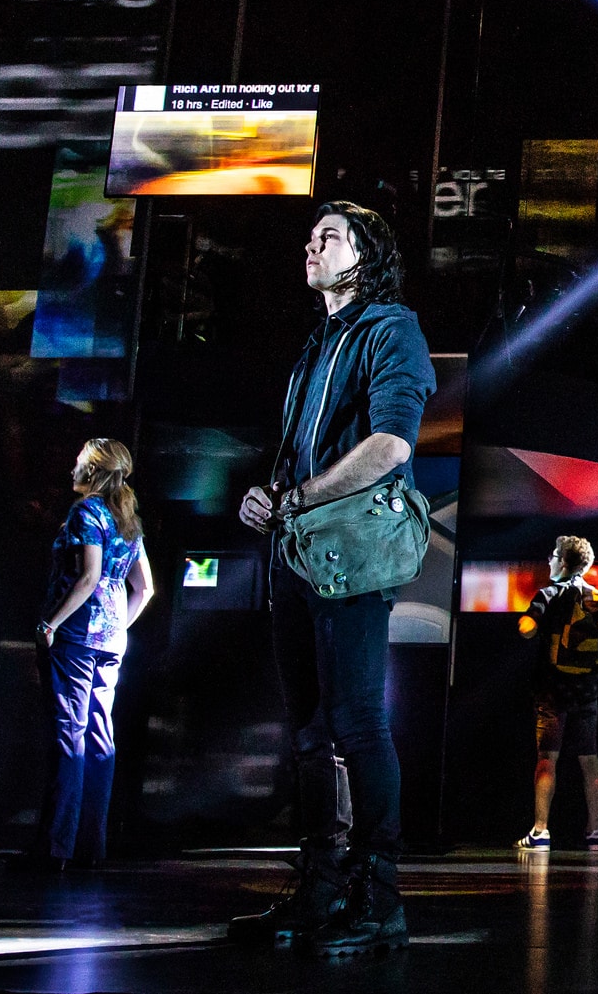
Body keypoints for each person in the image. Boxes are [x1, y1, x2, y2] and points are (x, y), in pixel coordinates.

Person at [231, 201, 436, 956]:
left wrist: (301, 496)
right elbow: (302, 454)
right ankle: (318, 889)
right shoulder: (317, 343)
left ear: (367, 254)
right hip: (296, 551)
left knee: (357, 721)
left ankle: (378, 895)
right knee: (311, 731)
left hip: (350, 557)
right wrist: (270, 491)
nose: (310, 245)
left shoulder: (392, 329)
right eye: (310, 236)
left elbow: (389, 444)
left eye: (330, 237)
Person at [27, 438, 153, 871]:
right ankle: (88, 848)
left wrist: (50, 624)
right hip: (111, 642)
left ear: (94, 470)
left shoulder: (87, 512)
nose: (73, 468)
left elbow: (88, 578)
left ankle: (54, 849)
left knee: (68, 735)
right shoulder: (127, 518)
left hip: (77, 638)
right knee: (100, 738)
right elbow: (145, 588)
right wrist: (117, 627)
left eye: (80, 461)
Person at [517, 535, 598, 853]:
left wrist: (530, 626)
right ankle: (593, 831)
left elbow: (526, 628)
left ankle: (540, 831)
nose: (550, 560)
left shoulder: (548, 594)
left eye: (554, 555)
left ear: (564, 562)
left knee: (547, 759)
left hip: (552, 691)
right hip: (588, 691)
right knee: (590, 760)